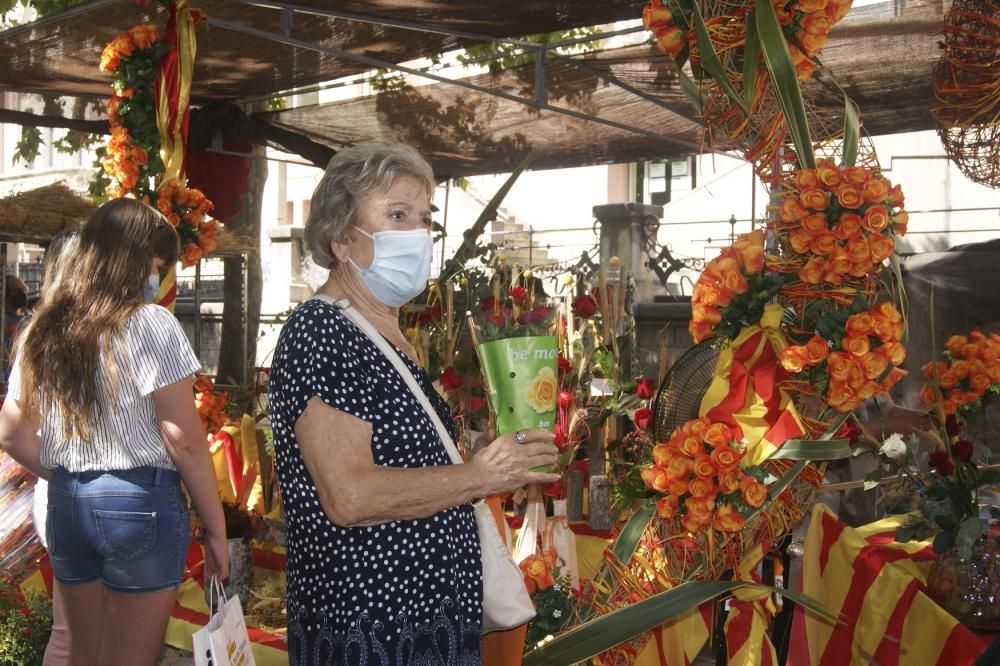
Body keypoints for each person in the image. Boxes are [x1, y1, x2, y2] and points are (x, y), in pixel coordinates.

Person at [268, 140, 559, 665]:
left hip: (420, 620)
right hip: (372, 627)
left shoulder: (383, 334)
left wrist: (498, 461)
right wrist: (480, 475)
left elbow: (405, 466)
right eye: (396, 215)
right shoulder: (323, 332)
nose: (418, 235)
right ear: (341, 238)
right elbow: (350, 495)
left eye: (424, 218)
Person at [0, 198, 229, 665]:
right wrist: (217, 527)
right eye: (157, 265)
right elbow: (181, 438)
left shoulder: (44, 326)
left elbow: (11, 433)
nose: (157, 278)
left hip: (67, 501)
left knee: (83, 654)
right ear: (133, 259)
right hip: (139, 504)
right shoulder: (152, 324)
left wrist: (72, 474)